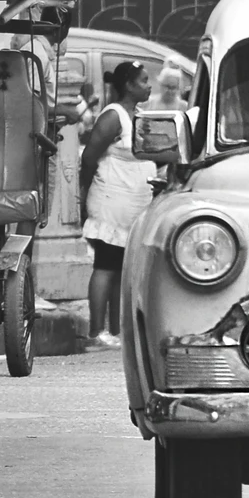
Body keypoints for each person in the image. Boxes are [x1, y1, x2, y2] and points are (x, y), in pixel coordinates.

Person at [79, 60, 163, 351]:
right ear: (128, 85)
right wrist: (84, 193)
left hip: (132, 205)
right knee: (105, 266)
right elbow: (89, 157)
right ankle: (96, 331)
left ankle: (115, 330)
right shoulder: (113, 116)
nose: (149, 85)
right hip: (111, 202)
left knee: (120, 269)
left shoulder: (137, 115)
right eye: (143, 80)